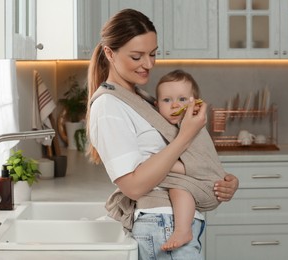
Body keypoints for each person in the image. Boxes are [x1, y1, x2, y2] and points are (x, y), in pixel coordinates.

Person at [86, 9, 239, 260]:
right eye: (137, 56)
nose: (148, 64)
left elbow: (171, 158)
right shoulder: (108, 107)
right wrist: (185, 136)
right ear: (109, 53)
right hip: (162, 224)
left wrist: (218, 180)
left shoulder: (143, 100)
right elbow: (134, 185)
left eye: (153, 54)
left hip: (172, 222)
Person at [154, 69, 220, 251]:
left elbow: (201, 165)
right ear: (156, 104)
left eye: (182, 99)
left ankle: (183, 230)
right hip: (201, 184)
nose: (175, 105)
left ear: (196, 104)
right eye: (167, 100)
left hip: (207, 185)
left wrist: (159, 164)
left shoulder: (192, 127)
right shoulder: (171, 127)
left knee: (177, 186)